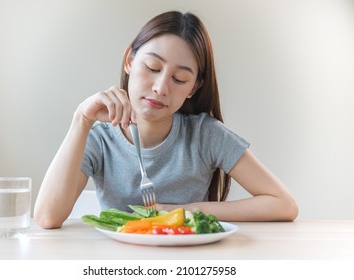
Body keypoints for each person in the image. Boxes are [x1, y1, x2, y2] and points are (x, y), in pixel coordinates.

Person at [34, 11, 298, 229]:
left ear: (193, 87)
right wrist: (81, 119)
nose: (161, 88)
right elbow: (47, 217)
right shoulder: (100, 138)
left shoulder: (205, 135)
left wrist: (183, 210)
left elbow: (283, 204)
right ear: (130, 61)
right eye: (152, 68)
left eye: (179, 79)